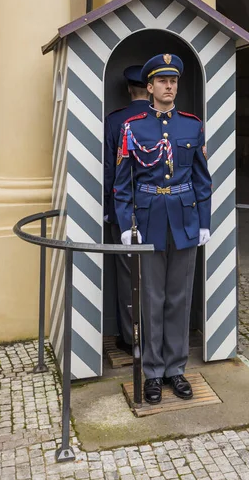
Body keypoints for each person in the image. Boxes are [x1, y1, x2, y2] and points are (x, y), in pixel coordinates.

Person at [113, 53, 212, 404]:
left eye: (173, 81)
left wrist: (205, 221)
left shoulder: (192, 125)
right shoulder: (133, 127)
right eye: (162, 81)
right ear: (150, 87)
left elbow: (202, 179)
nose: (169, 86)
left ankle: (176, 369)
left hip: (184, 220)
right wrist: (126, 224)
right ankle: (153, 373)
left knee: (179, 298)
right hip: (149, 220)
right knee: (152, 299)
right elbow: (122, 183)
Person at [104, 65, 151, 354]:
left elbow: (111, 170)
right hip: (159, 208)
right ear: (151, 86)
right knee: (157, 275)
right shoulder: (164, 119)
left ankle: (131, 337)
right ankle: (155, 335)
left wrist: (111, 208)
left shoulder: (114, 121)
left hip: (124, 210)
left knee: (126, 275)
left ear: (128, 89)